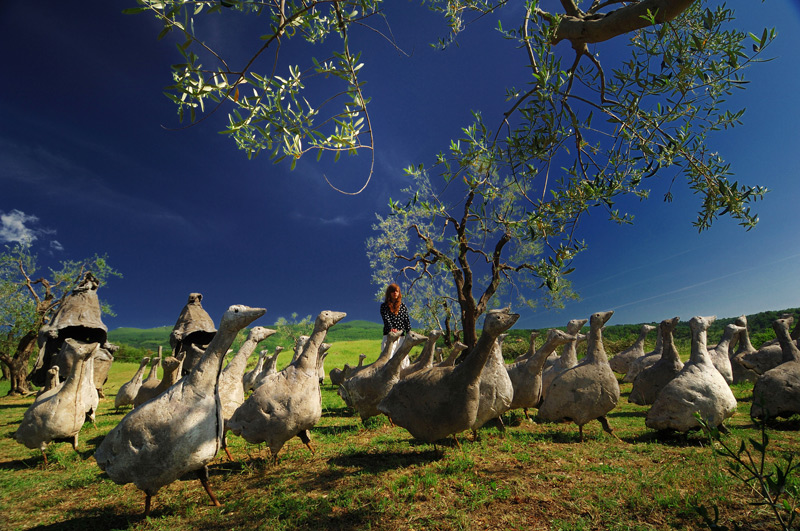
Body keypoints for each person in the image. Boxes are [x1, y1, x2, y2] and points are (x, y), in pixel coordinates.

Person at [380, 283, 411, 359]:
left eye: (397, 291)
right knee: (388, 357)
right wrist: (391, 329)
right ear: (389, 293)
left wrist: (409, 332)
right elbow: (386, 319)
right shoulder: (384, 306)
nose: (395, 293)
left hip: (401, 337)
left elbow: (406, 320)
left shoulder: (403, 306)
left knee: (402, 358)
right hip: (389, 336)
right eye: (393, 291)